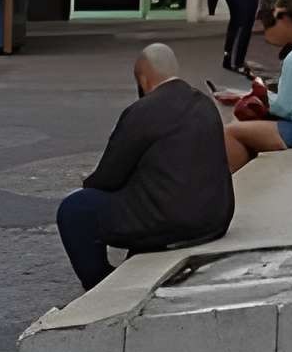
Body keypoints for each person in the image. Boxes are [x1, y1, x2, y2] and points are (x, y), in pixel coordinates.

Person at [54, 41, 235, 291]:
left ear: (142, 78)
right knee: (142, 194)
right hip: (214, 219)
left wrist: (89, 185)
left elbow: (108, 177)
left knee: (76, 209)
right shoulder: (204, 103)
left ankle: (101, 284)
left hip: (174, 221)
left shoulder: (142, 111)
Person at [217, 0, 292, 164]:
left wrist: (259, 94)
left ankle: (233, 182)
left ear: (287, 20)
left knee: (230, 131)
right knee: (244, 127)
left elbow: (283, 108)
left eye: (275, 20)